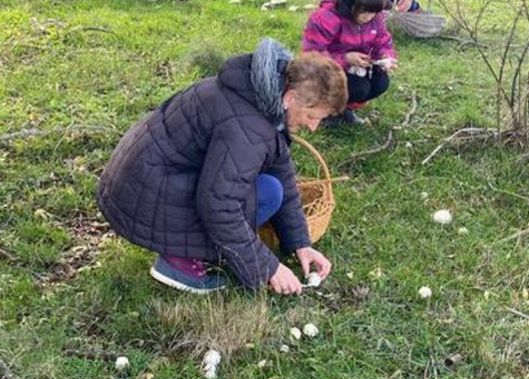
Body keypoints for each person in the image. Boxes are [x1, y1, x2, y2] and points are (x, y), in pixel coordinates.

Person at [97, 38, 347, 294]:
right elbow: (219, 204)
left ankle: (189, 246)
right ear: (291, 98)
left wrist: (300, 243)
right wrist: (268, 267)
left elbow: (282, 171)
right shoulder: (248, 127)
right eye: (312, 116)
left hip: (142, 175)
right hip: (146, 191)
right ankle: (178, 261)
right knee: (266, 193)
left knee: (271, 186)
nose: (313, 126)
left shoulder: (262, 93)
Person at [302, 0, 397, 126]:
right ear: (351, 2)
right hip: (324, 72)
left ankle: (345, 109)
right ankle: (326, 110)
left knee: (381, 82)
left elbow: (382, 40)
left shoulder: (375, 17)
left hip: (357, 68)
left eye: (374, 12)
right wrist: (345, 59)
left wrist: (386, 57)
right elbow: (312, 57)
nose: (369, 17)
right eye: (364, 11)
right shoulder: (325, 17)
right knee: (359, 88)